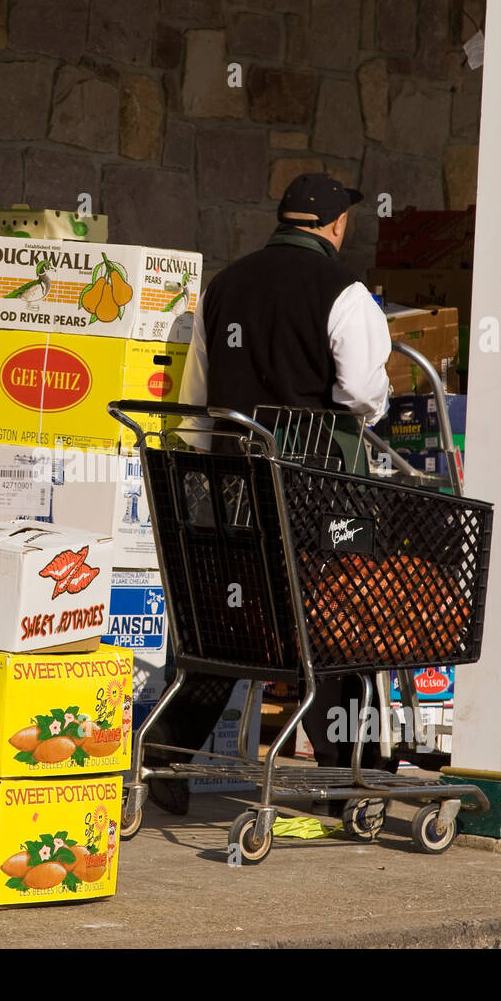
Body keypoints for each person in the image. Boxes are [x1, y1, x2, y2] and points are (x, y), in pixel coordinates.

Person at [145, 173, 396, 817]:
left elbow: (199, 403)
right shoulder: (346, 294)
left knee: (230, 617)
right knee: (339, 621)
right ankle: (347, 772)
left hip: (235, 488)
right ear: (337, 225)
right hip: (319, 491)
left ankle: (168, 756)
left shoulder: (222, 288)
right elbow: (364, 395)